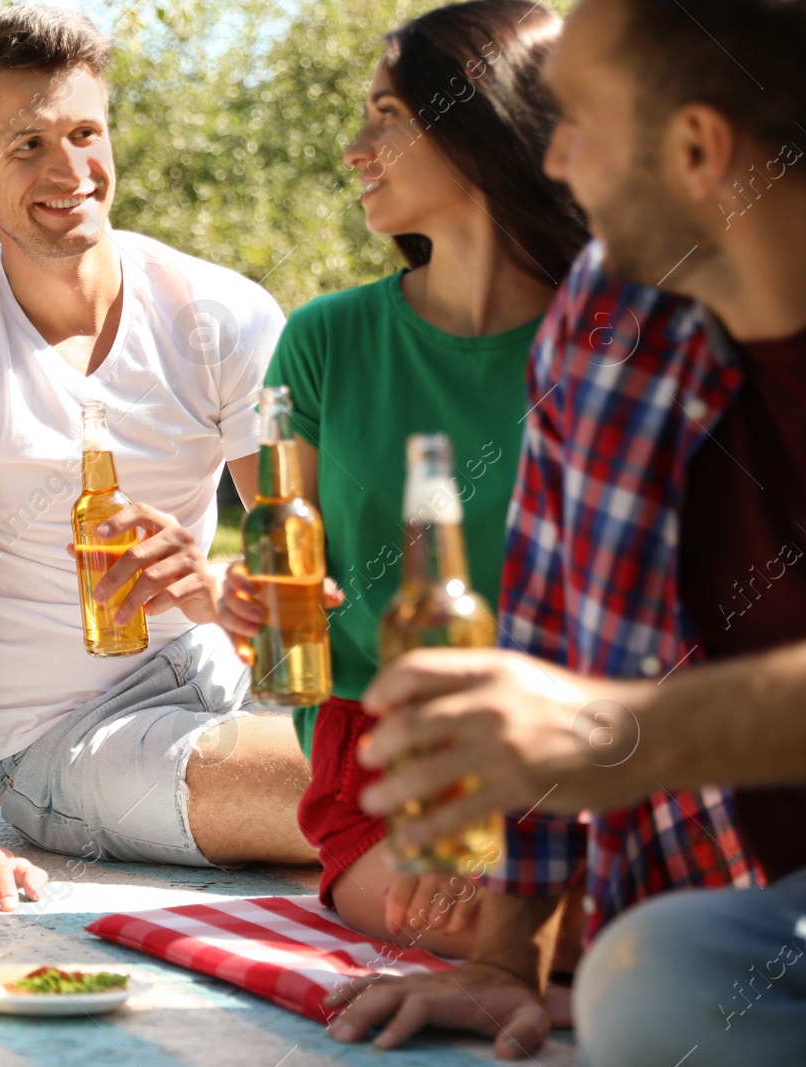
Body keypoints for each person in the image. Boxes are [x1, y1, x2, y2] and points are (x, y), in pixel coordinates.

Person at [323, 0, 806, 1061]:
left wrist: (615, 728)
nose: (551, 151)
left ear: (694, 148)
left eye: (575, 115)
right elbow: (544, 629)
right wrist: (505, 960)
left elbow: (586, 715)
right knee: (652, 980)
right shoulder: (602, 320)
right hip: (769, 900)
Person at [0, 5, 313, 911]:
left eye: (84, 133)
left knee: (435, 743)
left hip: (224, 674)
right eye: (26, 144)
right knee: (353, 784)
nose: (70, 172)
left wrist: (215, 593)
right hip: (65, 738)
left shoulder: (221, 313)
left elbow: (296, 556)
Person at [213, 0, 588, 959]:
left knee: (624, 930)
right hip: (385, 759)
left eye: (388, 115)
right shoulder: (327, 339)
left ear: (482, 125)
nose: (354, 147)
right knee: (494, 924)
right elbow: (290, 565)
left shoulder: (614, 341)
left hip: (584, 754)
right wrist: (251, 600)